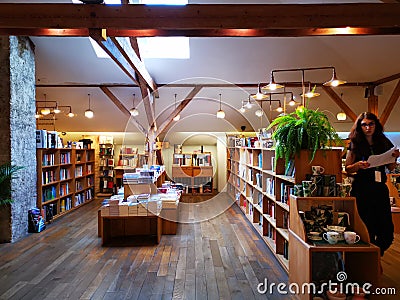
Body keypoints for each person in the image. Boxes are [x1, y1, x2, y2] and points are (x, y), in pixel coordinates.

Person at [345, 112, 399, 256]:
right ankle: (369, 259)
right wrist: (358, 165)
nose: (368, 128)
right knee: (366, 226)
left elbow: (391, 168)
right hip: (362, 188)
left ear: (376, 125)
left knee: (386, 230)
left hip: (380, 187)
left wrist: (394, 158)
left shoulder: (384, 142)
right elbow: (348, 169)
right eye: (364, 125)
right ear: (359, 126)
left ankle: (376, 254)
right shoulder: (355, 143)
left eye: (371, 124)